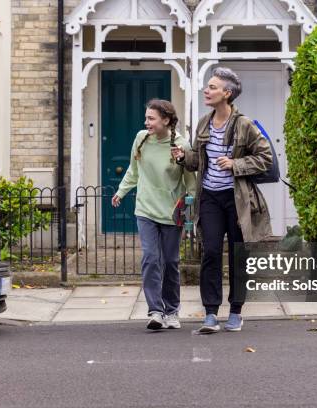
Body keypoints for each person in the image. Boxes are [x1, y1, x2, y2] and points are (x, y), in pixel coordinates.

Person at [171, 67, 273, 333]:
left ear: (227, 94)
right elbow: (197, 162)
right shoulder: (204, 123)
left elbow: (265, 158)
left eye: (213, 87)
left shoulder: (244, 125)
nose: (207, 90)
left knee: (238, 256)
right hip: (211, 198)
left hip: (237, 200)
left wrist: (235, 163)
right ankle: (210, 313)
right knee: (211, 253)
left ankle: (236, 311)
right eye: (208, 86)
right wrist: (184, 157)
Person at [113, 99, 196, 331]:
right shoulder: (141, 139)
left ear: (166, 120)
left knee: (170, 262)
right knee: (150, 258)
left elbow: (190, 180)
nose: (146, 122)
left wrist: (193, 204)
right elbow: (134, 169)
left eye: (151, 118)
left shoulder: (181, 145)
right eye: (146, 118)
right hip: (146, 208)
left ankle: (172, 311)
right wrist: (121, 191)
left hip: (171, 211)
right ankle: (156, 311)